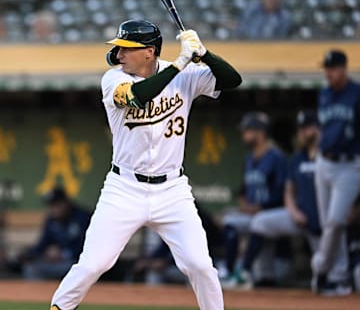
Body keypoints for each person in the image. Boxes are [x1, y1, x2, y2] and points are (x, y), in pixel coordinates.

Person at [49, 19, 242, 310]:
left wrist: (205, 54)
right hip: (124, 188)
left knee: (200, 265)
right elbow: (138, 97)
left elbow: (232, 81)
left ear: (149, 52)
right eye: (119, 48)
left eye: (127, 48)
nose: (119, 53)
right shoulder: (113, 79)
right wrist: (180, 63)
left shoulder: (184, 74)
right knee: (92, 264)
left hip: (172, 190)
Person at [234, 111, 321, 289]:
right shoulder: (297, 158)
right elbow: (288, 190)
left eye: (307, 128)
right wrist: (294, 211)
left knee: (326, 271)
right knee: (259, 222)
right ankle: (243, 272)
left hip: (324, 221)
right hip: (299, 215)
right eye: (301, 129)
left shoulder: (331, 157)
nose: (303, 133)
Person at [312, 50, 360, 296]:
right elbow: (324, 127)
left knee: (336, 221)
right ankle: (339, 278)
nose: (329, 73)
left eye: (333, 68)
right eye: (327, 68)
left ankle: (320, 268)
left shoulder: (356, 93)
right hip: (324, 162)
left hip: (349, 165)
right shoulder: (325, 93)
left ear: (344, 68)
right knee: (328, 224)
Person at [222, 112, 287, 288]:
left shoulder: (276, 157)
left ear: (260, 133)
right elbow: (243, 190)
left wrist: (260, 207)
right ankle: (230, 273)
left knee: (259, 221)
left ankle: (243, 272)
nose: (244, 135)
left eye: (247, 131)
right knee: (230, 221)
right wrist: (243, 203)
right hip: (253, 213)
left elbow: (283, 192)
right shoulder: (249, 159)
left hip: (272, 212)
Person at [23, 186, 91, 280]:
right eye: (51, 206)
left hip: (78, 262)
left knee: (73, 269)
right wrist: (29, 253)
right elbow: (43, 244)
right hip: (59, 262)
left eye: (56, 205)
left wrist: (62, 254)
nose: (53, 209)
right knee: (31, 268)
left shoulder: (82, 217)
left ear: (65, 203)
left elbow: (86, 247)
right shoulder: (51, 220)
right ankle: (40, 294)